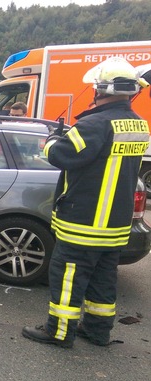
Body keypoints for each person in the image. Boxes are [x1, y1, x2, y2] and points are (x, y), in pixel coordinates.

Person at [22, 57, 150, 348]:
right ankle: (97, 330)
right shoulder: (138, 124)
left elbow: (61, 155)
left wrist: (54, 139)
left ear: (101, 89)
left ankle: (58, 332)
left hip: (85, 220)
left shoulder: (93, 124)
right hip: (116, 224)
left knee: (67, 277)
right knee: (103, 280)